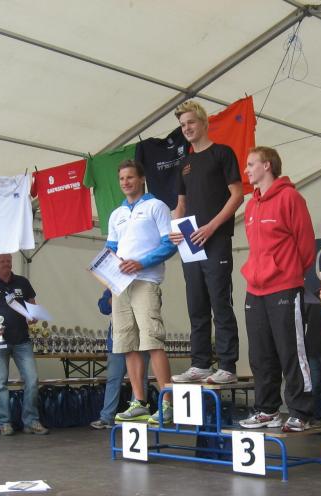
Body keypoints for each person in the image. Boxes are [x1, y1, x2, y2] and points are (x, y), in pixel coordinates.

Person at [237, 147, 316, 432]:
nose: (246, 170)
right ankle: (267, 410)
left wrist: (287, 272)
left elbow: (306, 246)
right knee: (260, 355)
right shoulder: (250, 205)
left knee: (291, 352)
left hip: (284, 287)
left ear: (267, 165)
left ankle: (301, 412)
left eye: (250, 164)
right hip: (255, 289)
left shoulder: (290, 198)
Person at [169, 100, 243, 385]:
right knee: (196, 303)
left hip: (216, 239)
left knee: (220, 302)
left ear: (203, 122)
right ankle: (200, 364)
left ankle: (227, 365)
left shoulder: (222, 153)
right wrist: (175, 229)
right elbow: (180, 203)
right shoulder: (184, 164)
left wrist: (211, 227)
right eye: (182, 125)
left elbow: (237, 196)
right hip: (190, 242)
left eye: (190, 122)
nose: (186, 128)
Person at [104, 160, 177, 425]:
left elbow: (170, 244)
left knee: (152, 341)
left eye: (130, 177)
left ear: (142, 179)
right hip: (120, 285)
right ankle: (139, 402)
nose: (125, 182)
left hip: (146, 280)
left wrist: (141, 263)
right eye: (122, 178)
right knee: (127, 344)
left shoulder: (156, 206)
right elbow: (111, 249)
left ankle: (167, 403)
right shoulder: (116, 214)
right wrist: (106, 275)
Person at [0, 253, 48, 436]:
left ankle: (31, 421)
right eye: (2, 261)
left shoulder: (22, 282)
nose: (6, 264)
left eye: (8, 261)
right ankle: (4, 423)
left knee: (32, 380)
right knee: (0, 383)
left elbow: (33, 307)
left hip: (22, 340)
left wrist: (33, 317)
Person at [90, 288, 149, 429]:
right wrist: (115, 299)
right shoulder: (113, 286)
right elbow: (103, 307)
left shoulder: (143, 284)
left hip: (140, 340)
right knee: (113, 380)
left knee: (140, 379)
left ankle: (137, 416)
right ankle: (106, 417)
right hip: (117, 341)